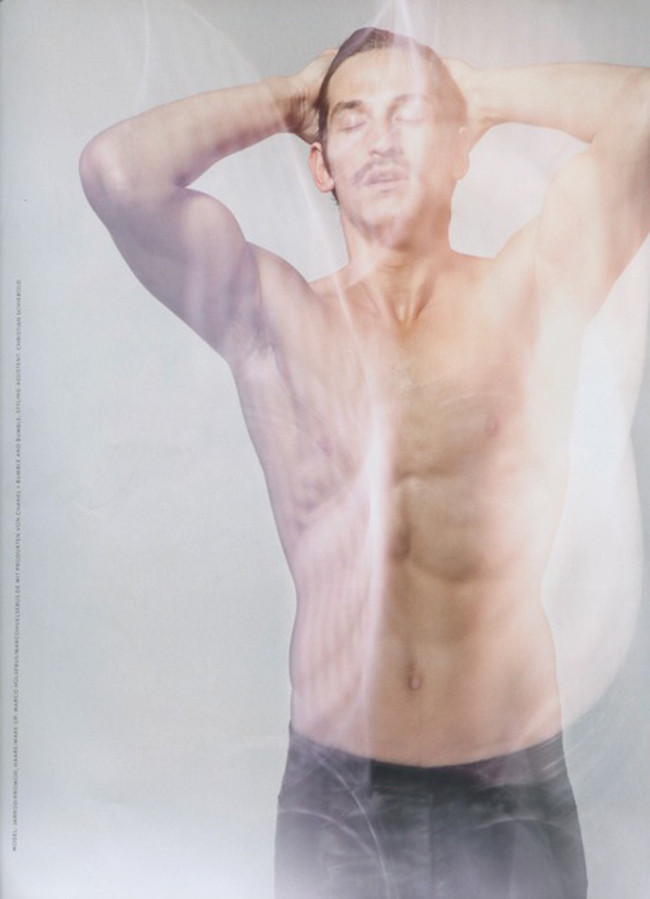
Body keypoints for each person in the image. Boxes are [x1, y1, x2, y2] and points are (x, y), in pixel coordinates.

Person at [79, 26, 650, 899]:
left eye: (408, 117)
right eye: (351, 120)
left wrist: (478, 94)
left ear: (459, 152)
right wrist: (289, 98)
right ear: (321, 163)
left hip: (510, 788)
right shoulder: (271, 315)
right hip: (338, 795)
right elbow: (116, 172)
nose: (380, 140)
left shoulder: (532, 292)